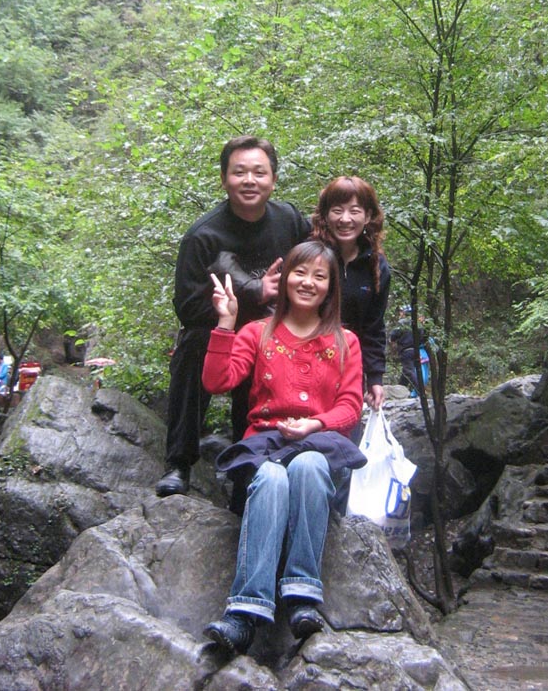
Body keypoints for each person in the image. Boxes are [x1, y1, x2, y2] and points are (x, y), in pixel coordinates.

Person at [201, 241, 364, 654]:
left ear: (330, 287)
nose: (308, 282)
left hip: (317, 443)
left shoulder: (345, 341)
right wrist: (226, 322)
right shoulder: (258, 332)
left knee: (309, 466)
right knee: (272, 478)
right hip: (265, 443)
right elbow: (217, 381)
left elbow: (350, 406)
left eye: (319, 276)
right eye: (300, 272)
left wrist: (315, 423)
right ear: (286, 277)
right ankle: (245, 612)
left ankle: (302, 595)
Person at [156, 135, 310, 501]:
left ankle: (247, 474)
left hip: (271, 333)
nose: (249, 180)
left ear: (273, 179)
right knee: (192, 348)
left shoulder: (288, 220)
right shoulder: (203, 236)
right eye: (239, 172)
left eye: (259, 172)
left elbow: (319, 261)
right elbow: (188, 308)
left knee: (273, 359)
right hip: (216, 332)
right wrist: (253, 293)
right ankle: (179, 462)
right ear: (224, 179)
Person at [311, 176, 390, 413]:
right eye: (337, 210)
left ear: (367, 216)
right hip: (305, 362)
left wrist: (375, 377)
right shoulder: (310, 256)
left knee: (345, 430)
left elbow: (373, 327)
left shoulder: (376, 266)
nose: (345, 219)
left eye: (354, 211)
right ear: (325, 215)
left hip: (349, 370)